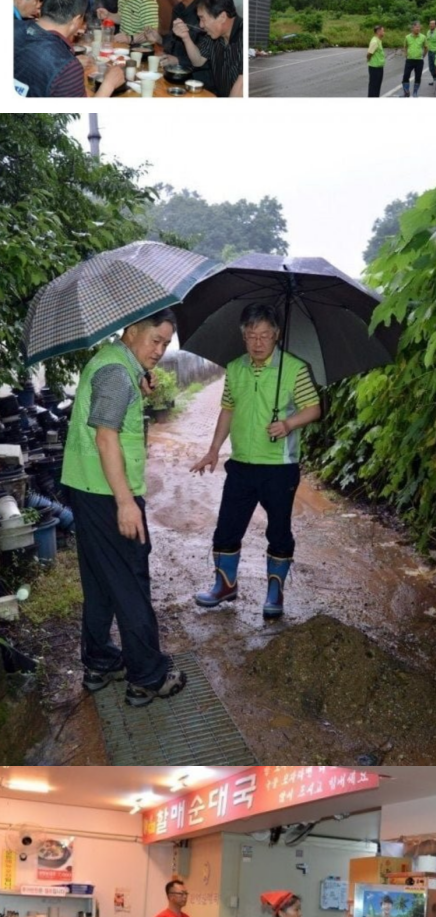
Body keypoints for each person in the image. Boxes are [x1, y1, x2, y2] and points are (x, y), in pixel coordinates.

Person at [61, 310, 187, 709]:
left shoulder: (112, 364)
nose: (160, 350)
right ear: (131, 332)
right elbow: (105, 439)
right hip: (108, 493)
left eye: (166, 344)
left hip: (85, 488)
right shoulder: (117, 374)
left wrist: (139, 387)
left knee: (100, 581)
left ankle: (99, 663)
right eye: (155, 340)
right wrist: (125, 502)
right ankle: (147, 677)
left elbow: (110, 417)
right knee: (131, 582)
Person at [192, 302, 321, 619]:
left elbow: (313, 408)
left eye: (265, 335)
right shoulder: (235, 368)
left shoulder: (294, 368)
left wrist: (289, 424)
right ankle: (225, 585)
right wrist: (213, 449)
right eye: (252, 335)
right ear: (244, 336)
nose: (258, 342)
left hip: (280, 468)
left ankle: (274, 594)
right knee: (226, 529)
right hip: (241, 465)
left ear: (276, 335)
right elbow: (228, 409)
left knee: (278, 532)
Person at [13, 0, 125, 98]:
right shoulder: (66, 67)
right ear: (76, 20)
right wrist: (108, 84)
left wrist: (69, 65)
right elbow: (82, 115)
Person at [152, 0, 214, 90]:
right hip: (175, 72)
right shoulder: (178, 9)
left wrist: (178, 60)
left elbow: (206, 56)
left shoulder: (206, 11)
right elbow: (172, 39)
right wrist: (159, 39)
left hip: (197, 77)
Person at [172, 0, 243, 97]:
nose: (201, 25)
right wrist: (185, 37)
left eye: (202, 18)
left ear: (222, 17)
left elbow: (242, 85)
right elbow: (198, 61)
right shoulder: (214, 35)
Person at [402, 22, 427, 99]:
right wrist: (405, 54)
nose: (418, 29)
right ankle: (406, 92)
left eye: (419, 27)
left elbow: (426, 47)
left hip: (419, 60)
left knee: (418, 77)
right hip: (409, 60)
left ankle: (415, 92)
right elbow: (405, 47)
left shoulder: (423, 37)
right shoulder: (407, 37)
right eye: (416, 27)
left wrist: (423, 55)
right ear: (412, 28)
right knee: (406, 76)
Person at [366, 25, 386, 97]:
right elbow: (369, 53)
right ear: (378, 31)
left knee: (377, 86)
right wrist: (368, 59)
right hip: (374, 68)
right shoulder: (375, 41)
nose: (384, 32)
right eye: (383, 31)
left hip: (379, 67)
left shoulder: (378, 40)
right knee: (374, 86)